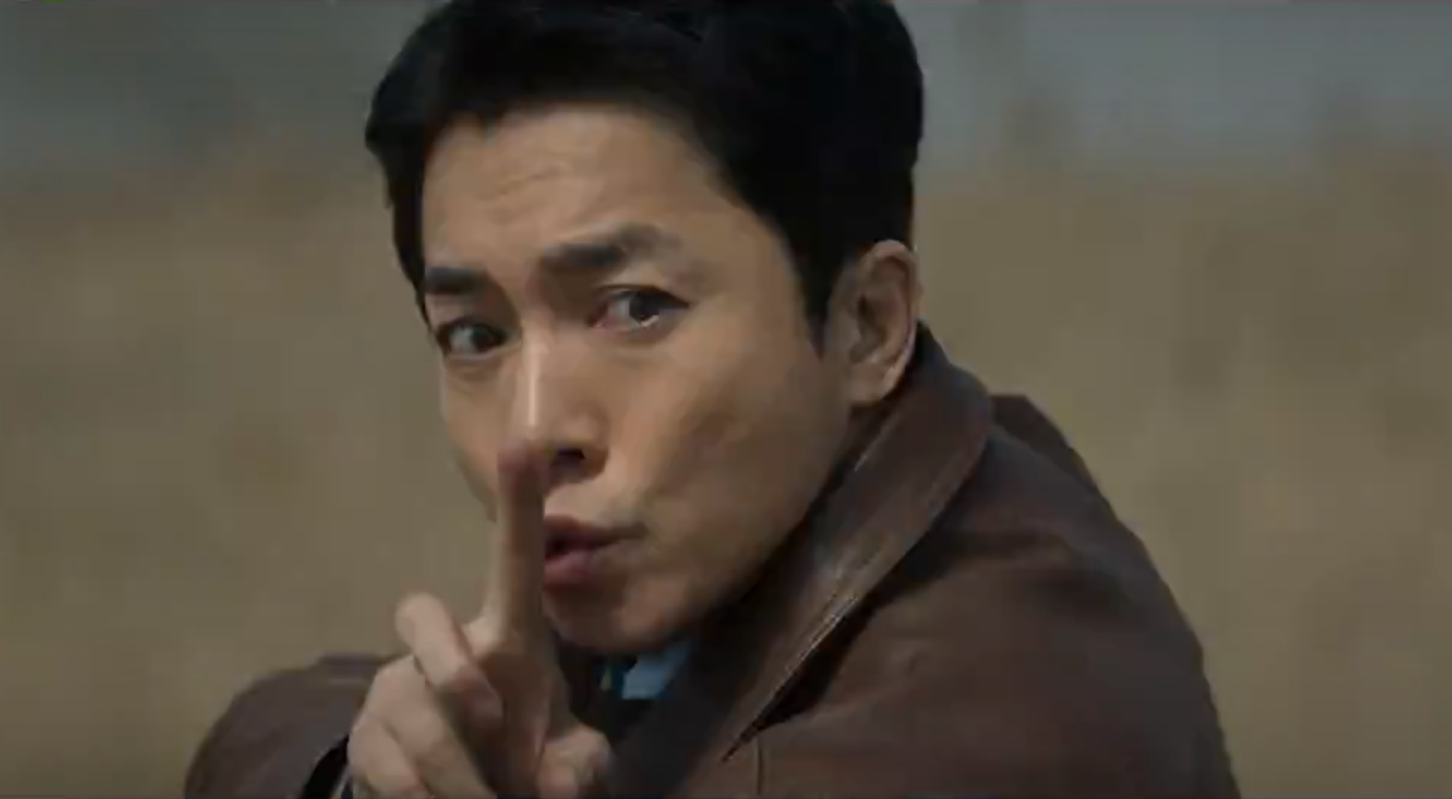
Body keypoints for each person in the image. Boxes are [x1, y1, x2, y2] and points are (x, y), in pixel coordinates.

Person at [183, 1, 1239, 796]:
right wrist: (377, 766)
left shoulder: (1013, 698)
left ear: (867, 324)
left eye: (634, 308)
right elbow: (266, 727)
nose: (534, 428)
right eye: (476, 334)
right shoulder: (720, 545)